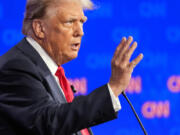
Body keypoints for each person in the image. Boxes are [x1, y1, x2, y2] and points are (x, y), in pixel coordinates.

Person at [0, 0, 143, 135]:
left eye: (81, 22)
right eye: (69, 22)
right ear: (39, 28)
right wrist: (114, 88)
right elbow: (48, 122)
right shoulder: (15, 67)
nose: (80, 32)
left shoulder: (46, 69)